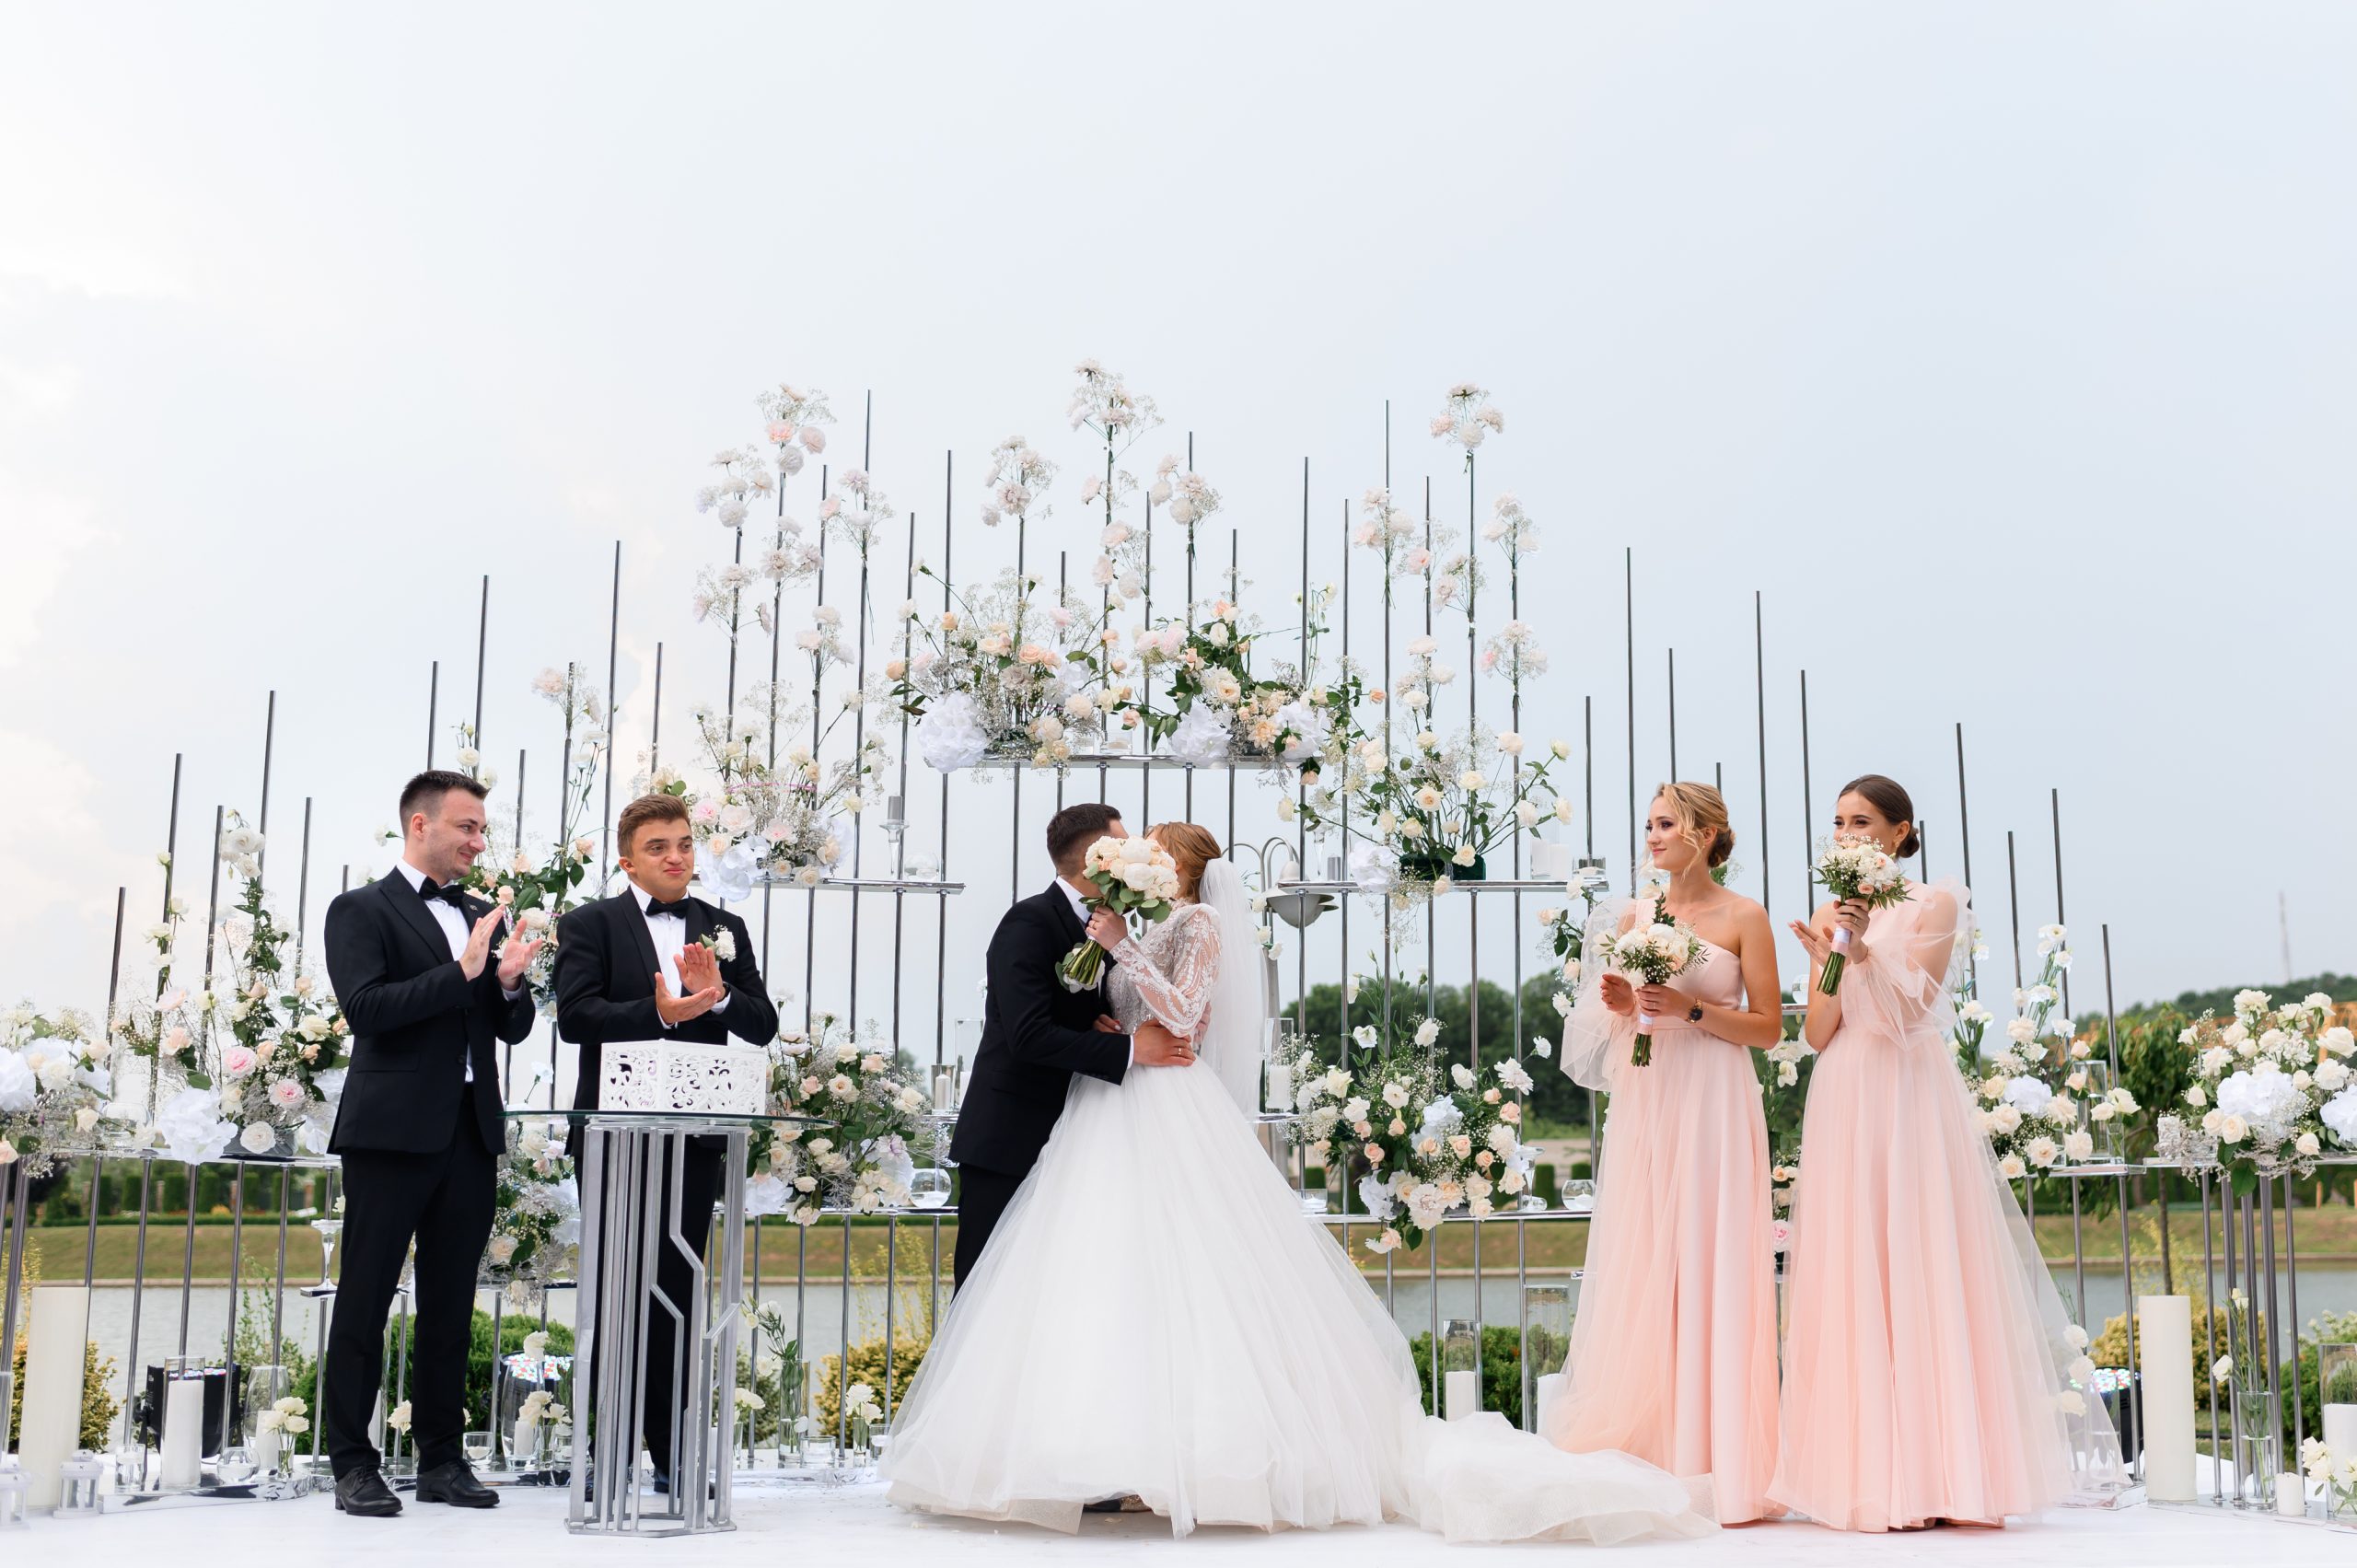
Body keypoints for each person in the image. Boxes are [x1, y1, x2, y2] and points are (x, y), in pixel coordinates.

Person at [883, 820, 1715, 1543]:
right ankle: (1102, 1452)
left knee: (1197, 1276)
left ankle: (1192, 1459)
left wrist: (1123, 955)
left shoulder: (1201, 920)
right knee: (1110, 1274)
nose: (1140, 863)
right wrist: (1109, 1016)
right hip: (1116, 1100)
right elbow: (1131, 1011)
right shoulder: (1143, 922)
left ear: (1178, 864)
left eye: (1153, 853)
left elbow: (1183, 1015)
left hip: (1166, 1101)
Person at [1769, 774, 2118, 1529]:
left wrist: (1863, 952)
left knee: (1922, 1262)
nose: (1847, 834)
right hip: (1845, 1090)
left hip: (1908, 1092)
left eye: (1862, 821)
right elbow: (1817, 1031)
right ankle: (1867, 1473)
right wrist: (1833, 951)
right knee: (1854, 1267)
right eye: (1837, 823)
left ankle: (1948, 1473)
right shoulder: (1834, 911)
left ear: (1900, 831)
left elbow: (1911, 1009)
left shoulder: (1933, 902)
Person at [1547, 783, 1784, 1524]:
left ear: (1707, 834)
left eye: (1667, 824)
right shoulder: (1633, 914)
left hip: (1715, 1096)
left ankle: (1723, 1460)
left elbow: (1771, 1028)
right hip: (1651, 1101)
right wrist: (1625, 1008)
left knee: (1712, 1257)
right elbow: (1613, 1024)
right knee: (1649, 1255)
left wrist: (1691, 1008)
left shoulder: (1746, 916)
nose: (1652, 836)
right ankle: (1650, 1445)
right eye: (1648, 824)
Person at [320, 769, 544, 1517]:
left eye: (482, 828)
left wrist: (510, 983)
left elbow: (508, 1026)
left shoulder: (483, 912)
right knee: (365, 1297)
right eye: (468, 828)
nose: (479, 842)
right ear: (420, 825)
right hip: (389, 1134)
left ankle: (442, 1460)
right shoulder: (358, 908)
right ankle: (352, 1461)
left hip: (470, 1131)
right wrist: (463, 971)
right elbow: (367, 1010)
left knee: (453, 1304)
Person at [553, 792, 779, 1491]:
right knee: (618, 1291)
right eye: (659, 847)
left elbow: (763, 1023)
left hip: (696, 1138)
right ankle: (609, 1451)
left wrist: (719, 997)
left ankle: (674, 1456)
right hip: (615, 1138)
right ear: (628, 860)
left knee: (676, 1295)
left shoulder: (724, 925)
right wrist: (655, 1011)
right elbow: (575, 1016)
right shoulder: (589, 923)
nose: (677, 856)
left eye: (684, 843)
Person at [945, 802, 1196, 1288]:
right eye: (1126, 847)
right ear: (1096, 862)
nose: (1139, 855)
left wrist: (1102, 1028)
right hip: (1010, 1140)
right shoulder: (1029, 923)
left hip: (1077, 1140)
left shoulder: (1105, 925)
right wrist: (1130, 1052)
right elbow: (1027, 1035)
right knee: (984, 1294)